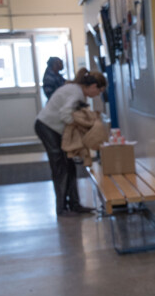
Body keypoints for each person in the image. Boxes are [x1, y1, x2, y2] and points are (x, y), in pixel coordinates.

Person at [34, 68, 106, 216]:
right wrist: (79, 125)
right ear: (93, 86)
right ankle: (61, 208)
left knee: (70, 165)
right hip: (47, 127)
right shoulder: (76, 92)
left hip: (52, 128)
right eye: (99, 91)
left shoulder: (77, 91)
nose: (98, 95)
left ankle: (74, 204)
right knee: (60, 168)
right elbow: (65, 113)